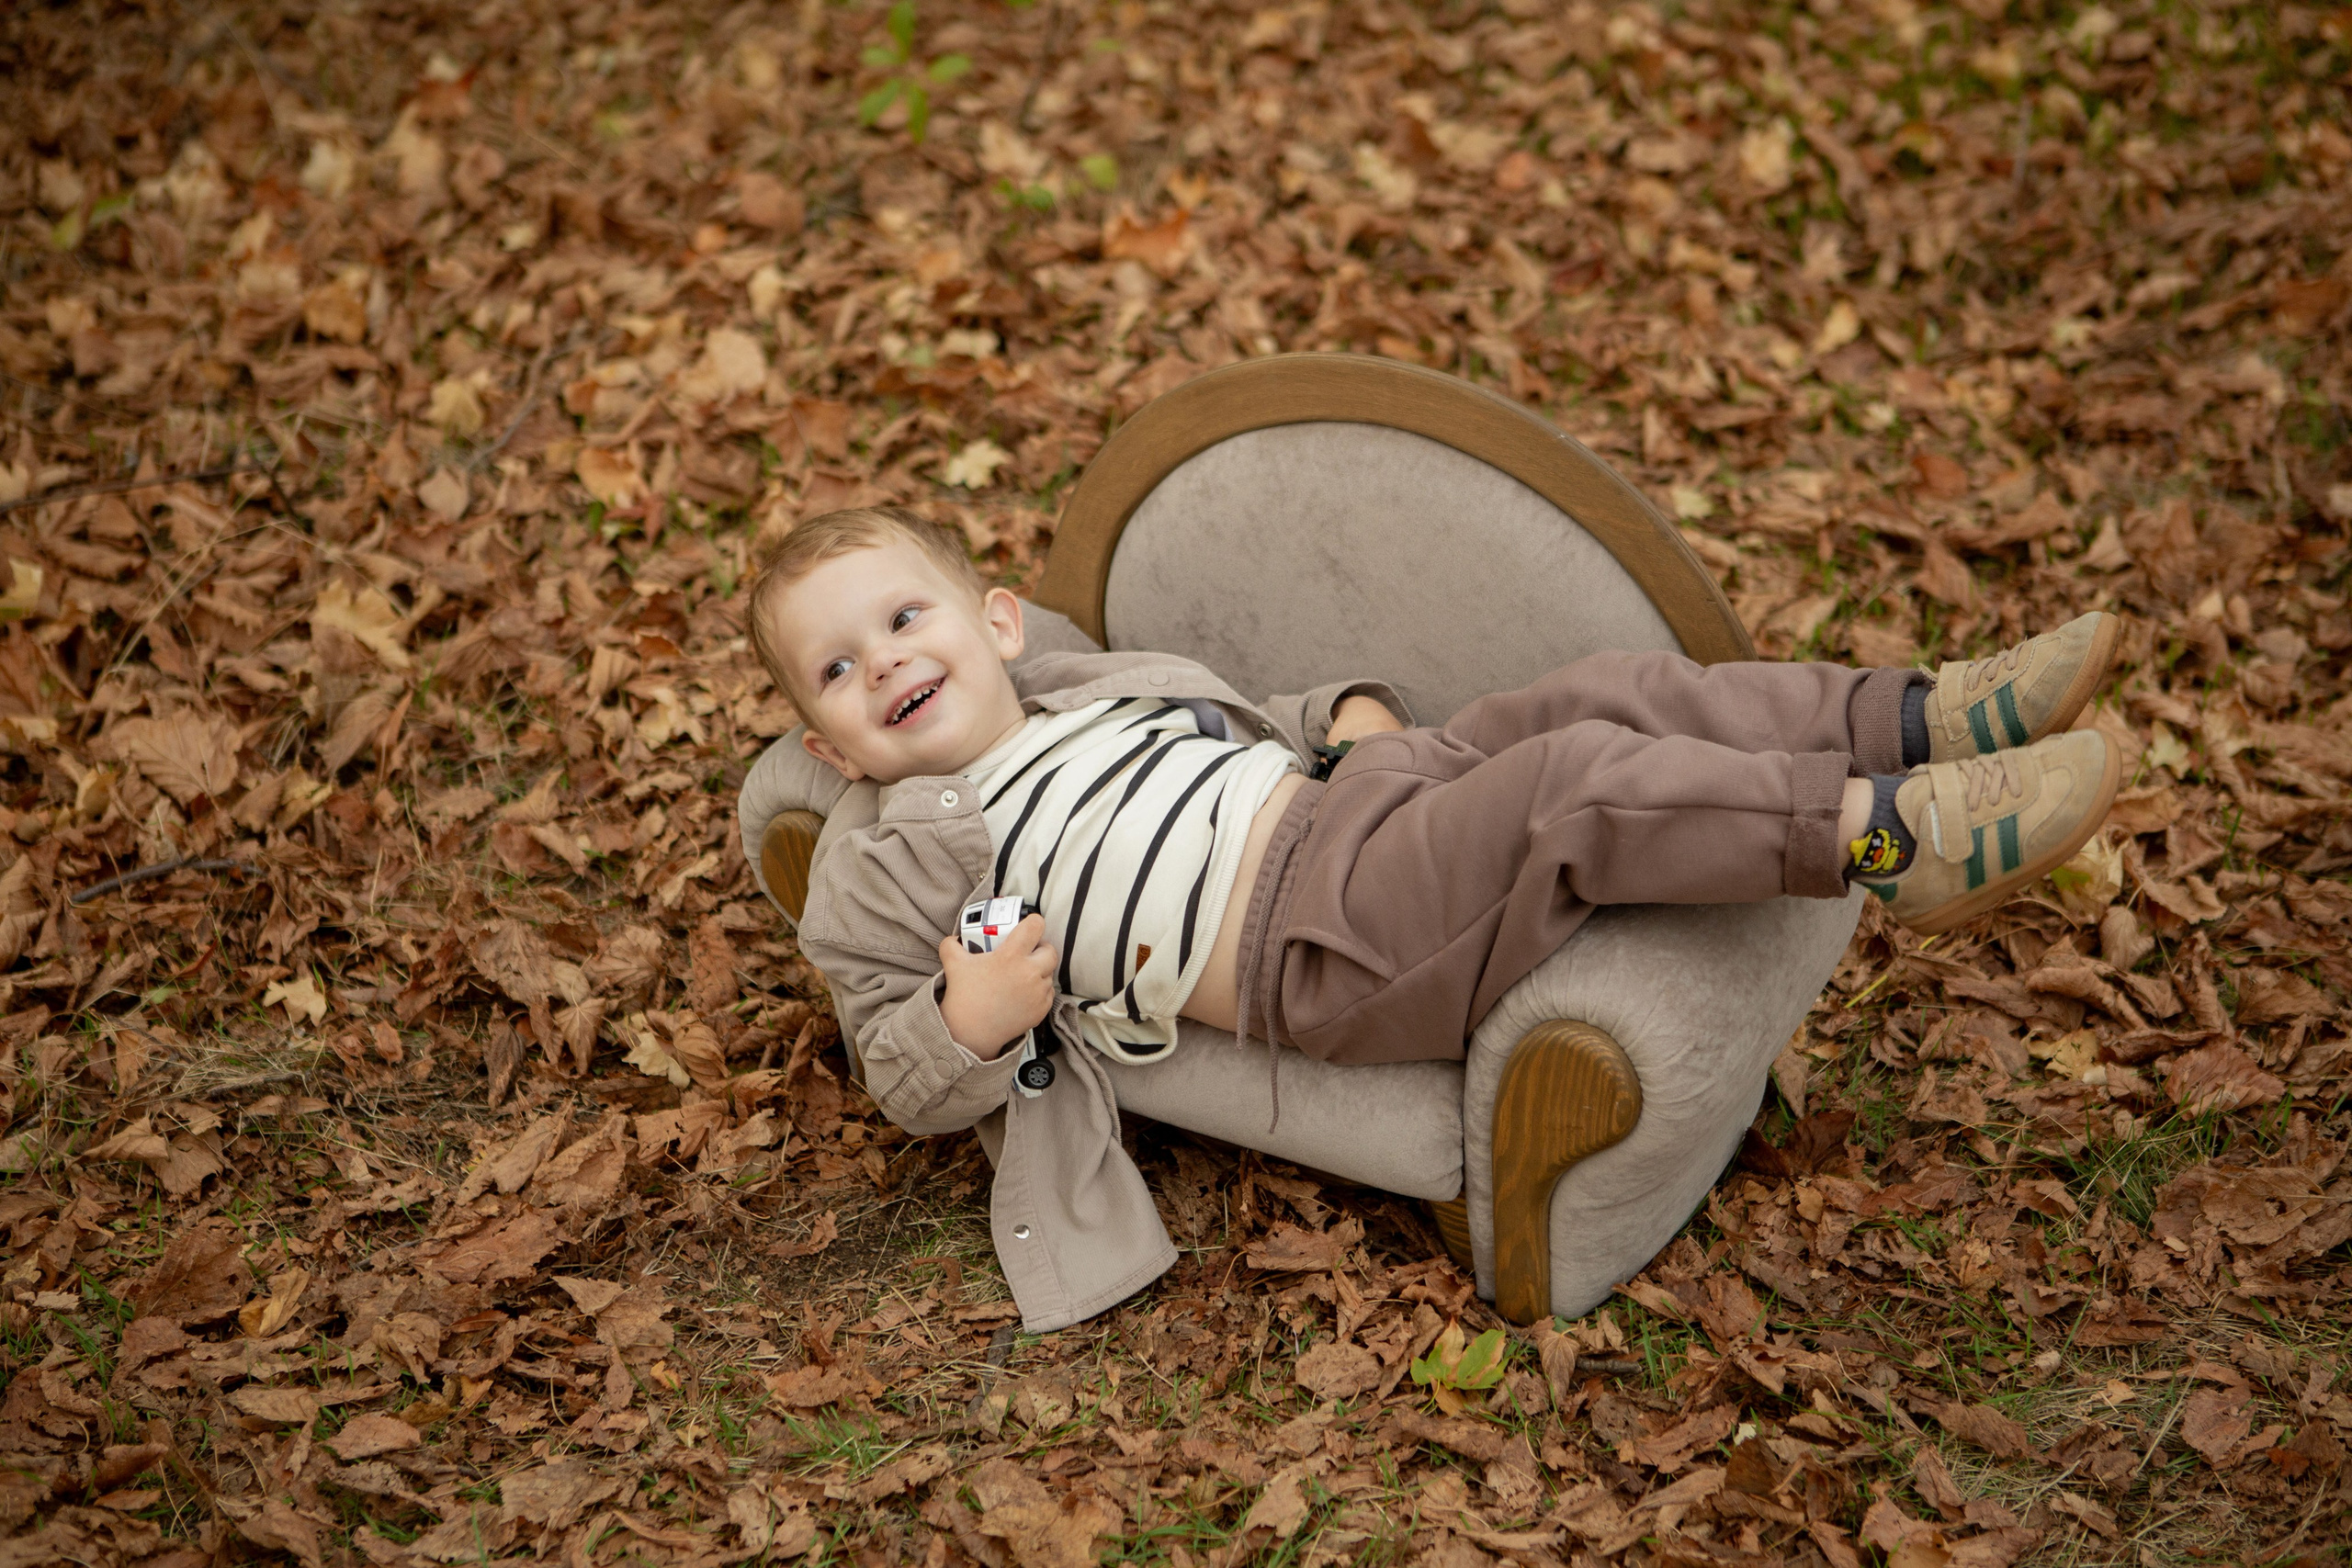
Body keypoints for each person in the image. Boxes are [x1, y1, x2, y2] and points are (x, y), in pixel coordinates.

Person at [746, 505, 2119, 1330]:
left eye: (903, 618)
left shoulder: (1088, 688)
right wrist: (962, 1021)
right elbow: (897, 1071)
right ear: (835, 750)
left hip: (1357, 804)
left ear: (997, 622)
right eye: (841, 671)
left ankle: (1927, 717)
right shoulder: (892, 861)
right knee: (1573, 792)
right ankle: (1898, 840)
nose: (887, 666)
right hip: (1314, 943)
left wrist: (1340, 711)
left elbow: (1240, 727)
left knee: (1604, 693)